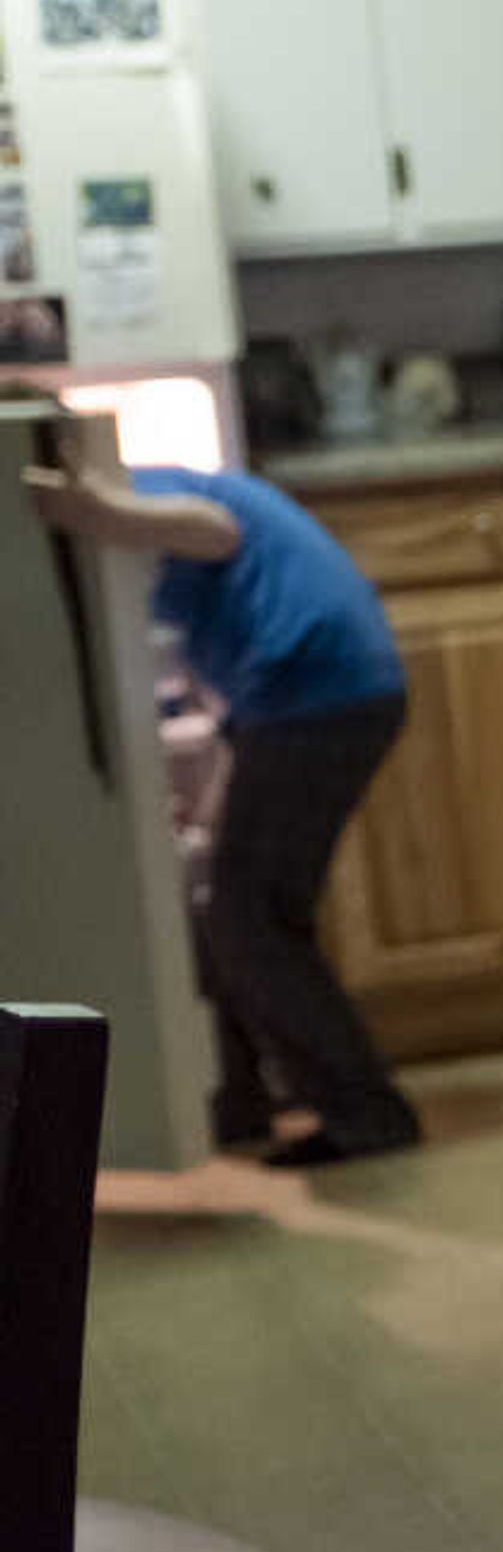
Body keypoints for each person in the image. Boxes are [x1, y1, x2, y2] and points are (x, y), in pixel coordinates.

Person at [23, 432, 420, 1166]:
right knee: (230, 912)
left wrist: (99, 508)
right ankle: (239, 1101)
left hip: (321, 696)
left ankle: (367, 1113)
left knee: (250, 916)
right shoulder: (150, 517)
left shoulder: (154, 495)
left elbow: (213, 532)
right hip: (313, 700)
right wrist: (213, 794)